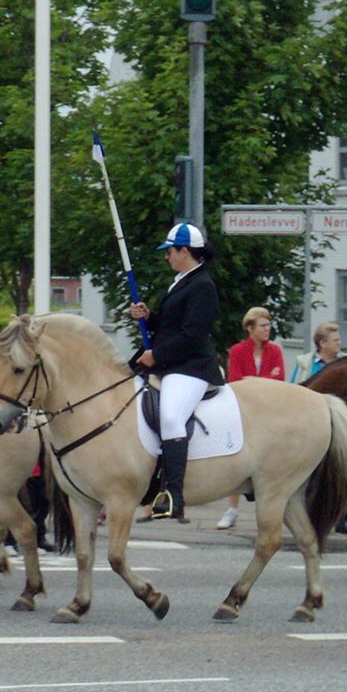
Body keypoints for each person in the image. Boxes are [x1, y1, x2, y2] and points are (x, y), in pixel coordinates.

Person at [129, 222, 223, 522]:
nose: (166, 256)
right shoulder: (182, 280)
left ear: (185, 251)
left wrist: (155, 354)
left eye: (170, 251)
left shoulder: (203, 286)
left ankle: (173, 496)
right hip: (173, 362)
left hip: (192, 367)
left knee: (171, 416)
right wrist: (149, 317)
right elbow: (172, 326)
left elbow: (192, 336)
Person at [218, 307, 285, 529]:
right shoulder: (237, 351)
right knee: (239, 455)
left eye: (268, 325)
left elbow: (280, 379)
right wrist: (266, 379)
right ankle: (232, 509)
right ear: (250, 328)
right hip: (244, 410)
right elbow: (236, 381)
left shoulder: (275, 350)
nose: (268, 330)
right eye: (263, 326)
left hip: (270, 410)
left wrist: (253, 380)